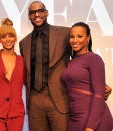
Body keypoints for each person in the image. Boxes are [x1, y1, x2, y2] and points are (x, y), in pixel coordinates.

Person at [19, 1, 112, 131]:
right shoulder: (24, 43)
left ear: (46, 12)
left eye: (40, 11)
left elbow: (81, 58)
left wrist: (100, 84)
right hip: (35, 102)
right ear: (29, 16)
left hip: (59, 99)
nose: (36, 15)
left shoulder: (64, 33)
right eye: (32, 12)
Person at [62, 22, 113, 131]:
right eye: (72, 37)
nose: (75, 40)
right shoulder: (70, 62)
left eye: (80, 36)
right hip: (75, 118)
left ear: (88, 38)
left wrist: (91, 126)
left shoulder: (94, 58)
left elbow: (99, 95)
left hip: (93, 120)